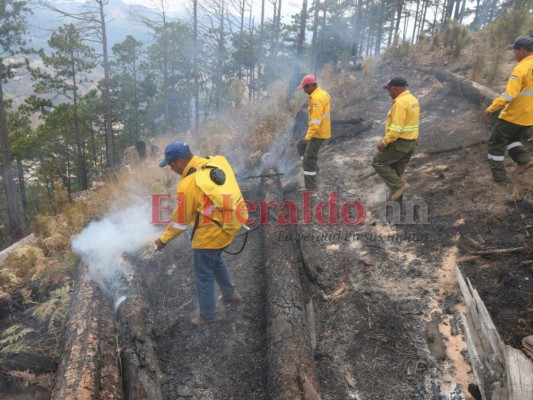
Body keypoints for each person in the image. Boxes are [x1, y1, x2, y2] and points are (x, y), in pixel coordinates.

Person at [154, 141, 242, 325]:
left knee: (203, 274)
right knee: (216, 259)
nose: (171, 169)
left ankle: (207, 315)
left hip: (209, 235)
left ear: (179, 161)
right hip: (230, 225)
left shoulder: (188, 185)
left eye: (170, 165)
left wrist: (163, 241)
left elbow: (179, 223)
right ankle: (230, 294)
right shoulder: (212, 162)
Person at [483, 35, 533, 182]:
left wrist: (491, 108)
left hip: (513, 116)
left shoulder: (521, 68)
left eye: (515, 51)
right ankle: (524, 160)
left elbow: (509, 95)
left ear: (523, 50)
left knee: (495, 145)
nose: (514, 54)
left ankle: (499, 177)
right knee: (513, 139)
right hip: (529, 116)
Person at [372, 76, 420, 201]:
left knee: (378, 162)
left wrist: (384, 142)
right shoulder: (413, 100)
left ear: (395, 89)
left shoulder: (400, 103)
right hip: (410, 144)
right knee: (396, 174)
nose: (389, 94)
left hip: (399, 144)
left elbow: (396, 129)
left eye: (389, 90)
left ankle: (399, 186)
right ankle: (397, 206)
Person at [296, 74, 331, 194]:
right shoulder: (321, 93)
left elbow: (316, 122)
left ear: (311, 85)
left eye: (305, 88)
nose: (304, 90)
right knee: (300, 145)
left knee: (309, 159)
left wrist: (308, 136)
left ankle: (311, 187)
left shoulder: (316, 99)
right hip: (318, 130)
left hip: (318, 133)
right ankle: (313, 168)